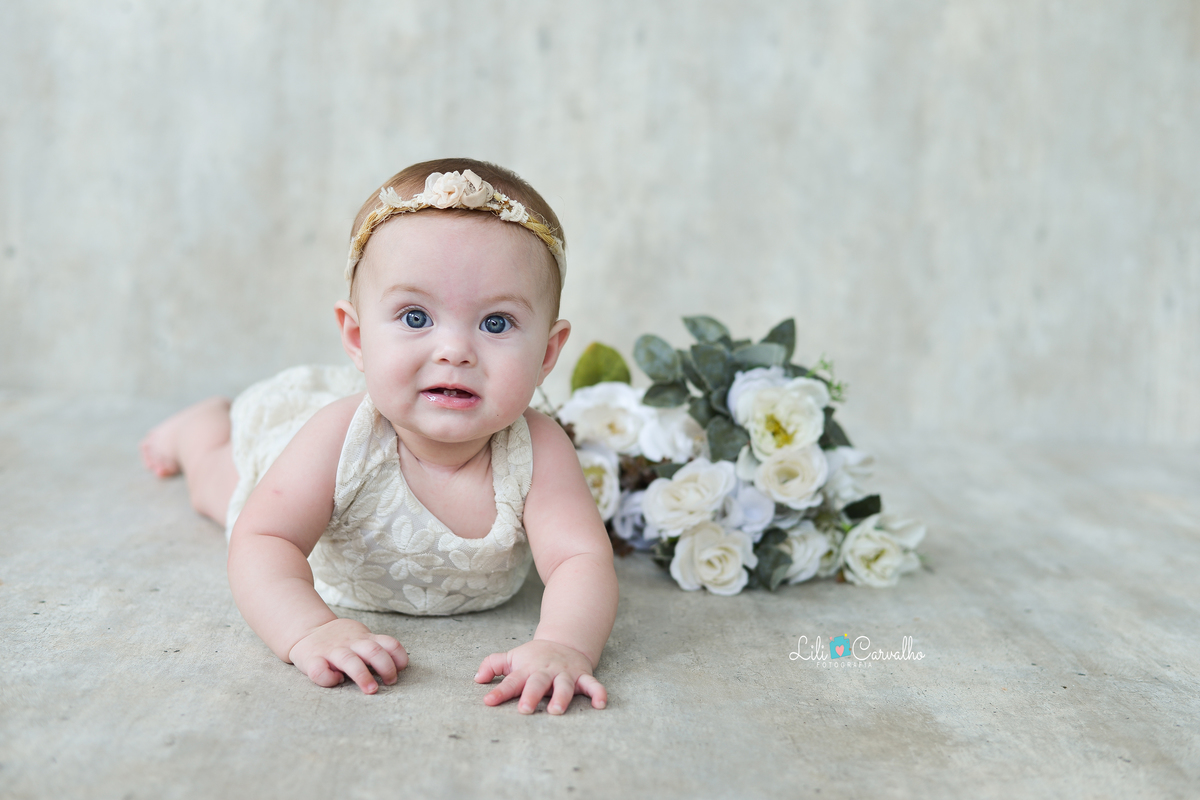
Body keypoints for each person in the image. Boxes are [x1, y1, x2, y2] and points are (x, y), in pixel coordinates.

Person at [140, 158, 618, 715]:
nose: (454, 351)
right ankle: (197, 429)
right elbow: (265, 539)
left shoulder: (539, 450)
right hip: (304, 490)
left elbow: (580, 558)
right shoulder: (340, 438)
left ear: (547, 353)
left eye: (496, 323)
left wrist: (564, 644)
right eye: (416, 317)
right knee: (217, 486)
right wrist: (310, 630)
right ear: (357, 337)